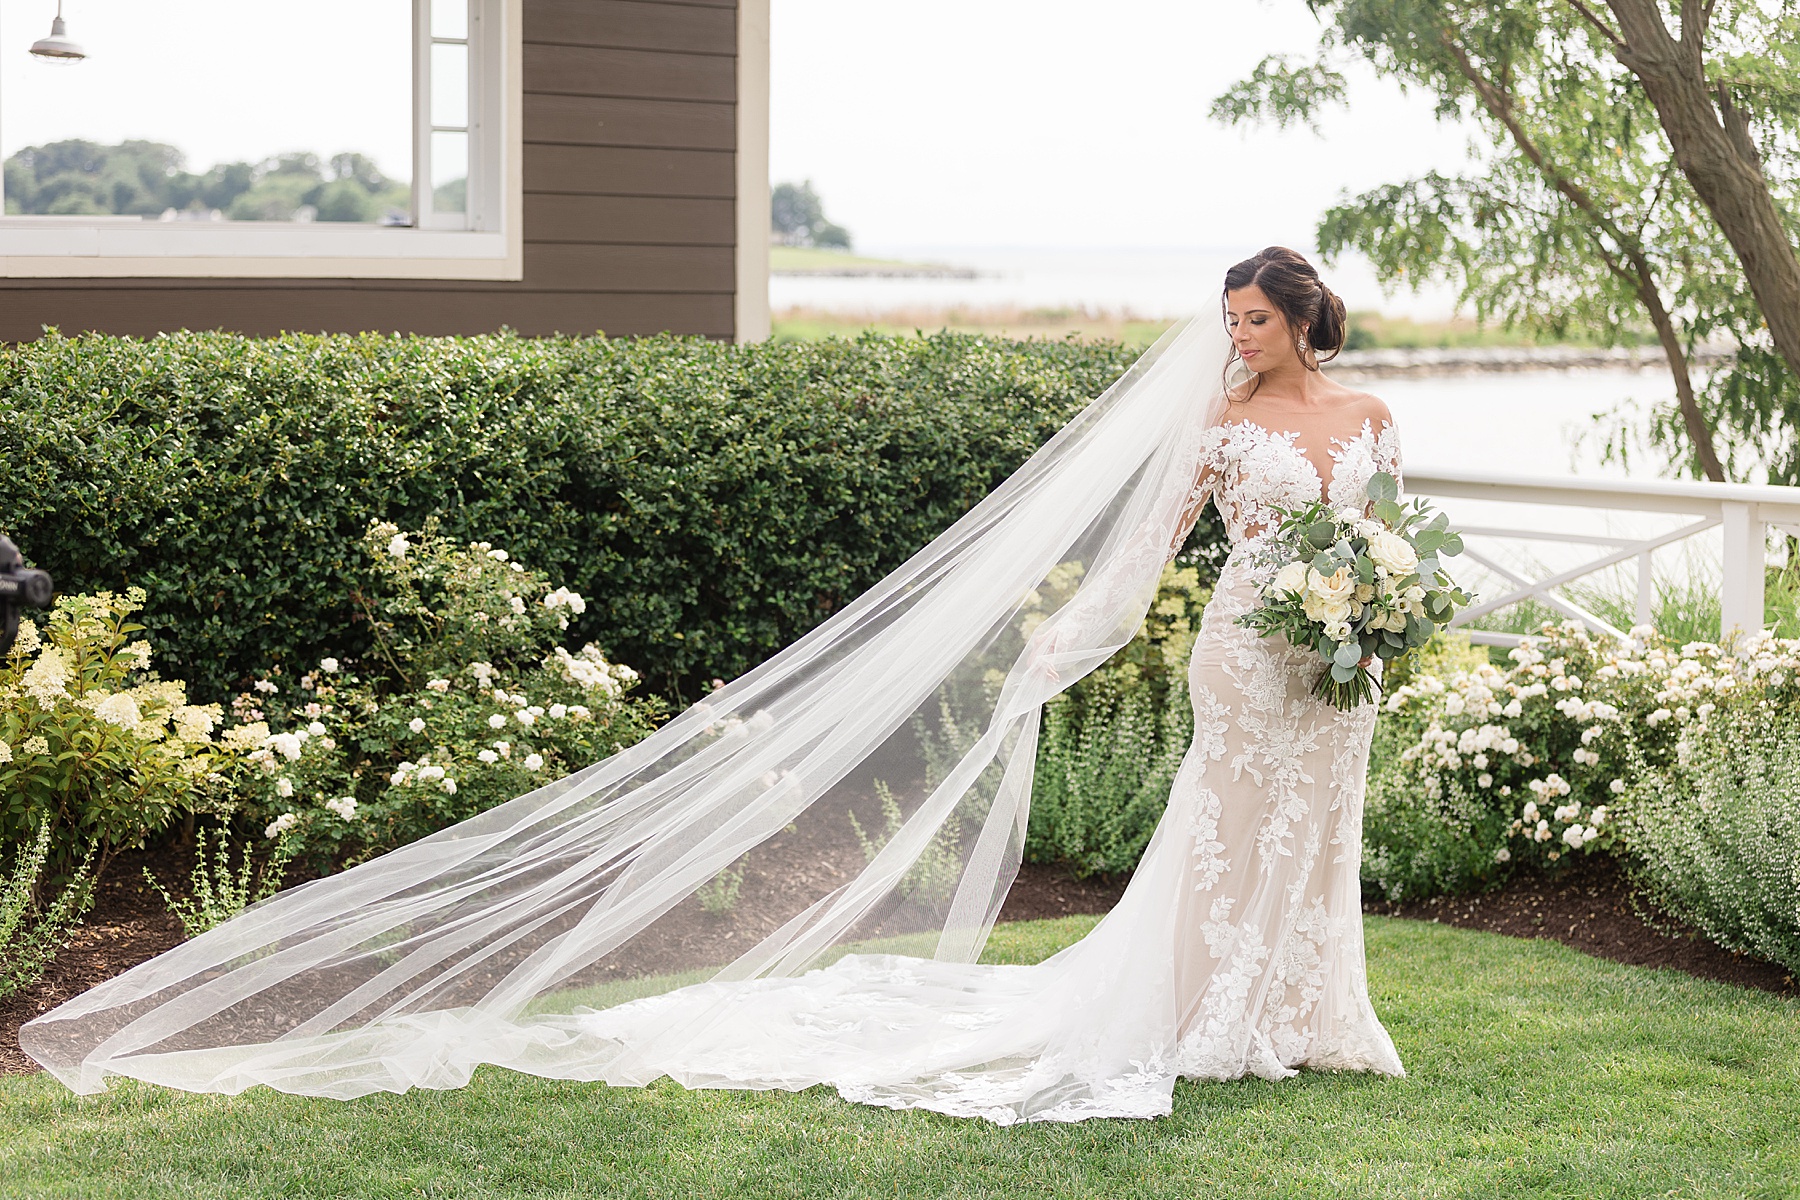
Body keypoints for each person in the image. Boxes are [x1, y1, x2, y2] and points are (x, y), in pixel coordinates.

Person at [22, 247, 1404, 1124]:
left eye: (1254, 320)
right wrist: (1070, 637)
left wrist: (1386, 607)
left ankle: (1309, 1011)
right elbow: (1152, 549)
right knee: (1225, 829)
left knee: (1318, 831)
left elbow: (1388, 533)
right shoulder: (1216, 423)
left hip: (1336, 658)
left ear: (1301, 319)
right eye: (1225, 319)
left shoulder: (1368, 416)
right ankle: (1211, 1017)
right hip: (1244, 648)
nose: (1238, 337)